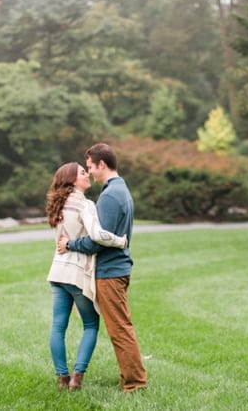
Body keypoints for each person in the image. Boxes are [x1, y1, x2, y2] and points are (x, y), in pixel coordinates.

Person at [57, 143, 147, 393]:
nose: (90, 173)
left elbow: (98, 239)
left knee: (119, 329)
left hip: (110, 272)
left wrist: (70, 244)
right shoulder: (120, 189)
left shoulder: (109, 195)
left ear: (102, 165)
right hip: (117, 269)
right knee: (120, 326)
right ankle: (129, 377)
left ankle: (135, 384)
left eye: (90, 167)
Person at [45, 162, 127, 392]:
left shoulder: (57, 205)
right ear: (72, 180)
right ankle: (77, 378)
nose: (87, 174)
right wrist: (120, 240)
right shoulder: (85, 204)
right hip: (77, 273)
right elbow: (97, 235)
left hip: (57, 271)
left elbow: (59, 242)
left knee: (58, 326)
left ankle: (62, 378)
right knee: (91, 324)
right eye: (82, 172)